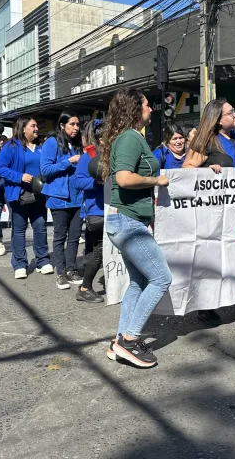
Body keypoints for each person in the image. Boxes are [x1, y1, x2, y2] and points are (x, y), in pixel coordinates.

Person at [98, 88, 171, 368]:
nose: (151, 110)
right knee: (161, 279)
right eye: (146, 105)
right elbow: (125, 179)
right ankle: (129, 341)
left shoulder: (131, 137)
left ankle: (120, 342)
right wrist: (157, 182)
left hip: (128, 221)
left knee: (139, 283)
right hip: (127, 222)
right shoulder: (129, 138)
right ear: (134, 109)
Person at [184, 99, 235, 321]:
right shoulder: (207, 140)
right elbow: (187, 169)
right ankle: (205, 305)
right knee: (212, 257)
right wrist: (207, 170)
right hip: (213, 212)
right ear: (218, 120)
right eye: (231, 112)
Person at [0, 116, 52, 280]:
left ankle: (42, 261)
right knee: (19, 230)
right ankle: (20, 264)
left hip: (39, 195)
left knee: (40, 227)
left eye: (36, 126)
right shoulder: (11, 146)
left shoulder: (40, 148)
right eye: (33, 126)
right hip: (19, 195)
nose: (36, 129)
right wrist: (19, 176)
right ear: (23, 128)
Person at [41, 112, 85, 290]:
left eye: (77, 124)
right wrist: (68, 161)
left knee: (74, 237)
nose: (76, 128)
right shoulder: (52, 142)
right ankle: (60, 273)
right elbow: (45, 170)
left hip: (77, 196)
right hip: (59, 197)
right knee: (60, 236)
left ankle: (71, 269)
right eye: (72, 124)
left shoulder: (78, 143)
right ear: (62, 125)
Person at [71, 119, 106, 303]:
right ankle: (85, 287)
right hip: (96, 211)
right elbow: (77, 182)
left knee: (100, 250)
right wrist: (96, 182)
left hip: (113, 208)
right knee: (99, 250)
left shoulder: (113, 154)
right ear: (100, 139)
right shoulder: (89, 156)